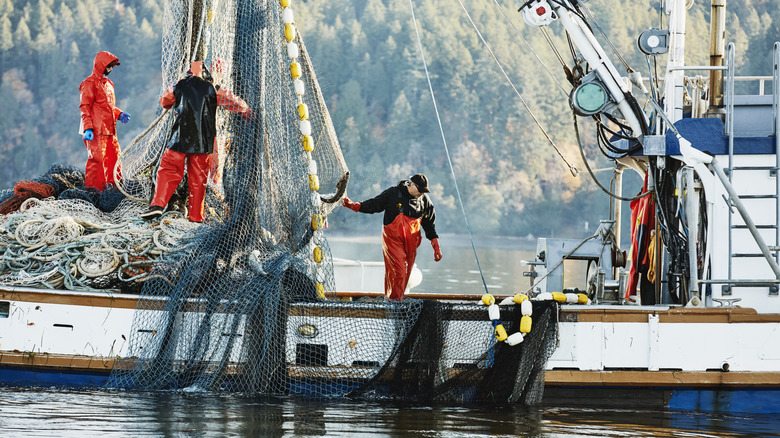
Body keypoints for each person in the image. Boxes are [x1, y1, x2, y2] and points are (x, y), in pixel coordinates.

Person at [141, 61, 250, 222]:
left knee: (167, 171)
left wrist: (176, 90)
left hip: (178, 139)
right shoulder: (213, 88)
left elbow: (164, 102)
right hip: (202, 142)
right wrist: (248, 112)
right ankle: (196, 217)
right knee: (198, 179)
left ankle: (157, 206)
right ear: (205, 73)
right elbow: (235, 102)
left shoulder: (178, 86)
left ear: (188, 73)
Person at [342, 174, 442, 300]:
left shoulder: (424, 200)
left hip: (412, 242)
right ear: (411, 184)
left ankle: (393, 299)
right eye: (420, 190)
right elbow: (374, 204)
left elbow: (429, 224)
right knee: (399, 271)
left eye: (424, 191)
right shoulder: (393, 193)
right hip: (393, 239)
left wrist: (436, 246)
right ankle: (395, 304)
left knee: (405, 274)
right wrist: (355, 206)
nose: (422, 193)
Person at [79, 51, 131, 190]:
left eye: (112, 66)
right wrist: (88, 128)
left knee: (115, 158)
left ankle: (116, 189)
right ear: (101, 65)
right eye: (109, 66)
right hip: (95, 130)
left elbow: (107, 107)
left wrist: (119, 114)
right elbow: (85, 107)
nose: (111, 69)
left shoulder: (109, 84)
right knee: (97, 162)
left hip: (110, 129)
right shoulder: (89, 83)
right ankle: (94, 192)